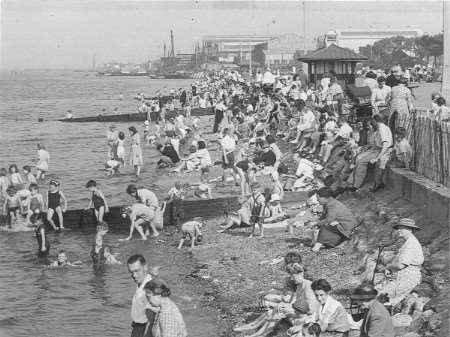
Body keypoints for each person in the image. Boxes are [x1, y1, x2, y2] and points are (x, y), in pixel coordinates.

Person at [377, 218, 424, 306]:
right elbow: (398, 261)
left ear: (410, 230)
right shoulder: (407, 242)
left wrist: (388, 267)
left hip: (408, 278)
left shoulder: (411, 245)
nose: (399, 230)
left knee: (382, 297)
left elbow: (400, 265)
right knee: (376, 291)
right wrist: (390, 269)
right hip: (401, 275)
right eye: (398, 228)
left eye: (402, 228)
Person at [311, 187, 357, 252]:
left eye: (318, 198)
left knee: (326, 226)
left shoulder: (333, 205)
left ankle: (317, 246)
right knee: (325, 225)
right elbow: (323, 216)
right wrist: (317, 222)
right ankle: (331, 241)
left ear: (325, 198)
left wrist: (317, 223)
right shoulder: (327, 204)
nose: (317, 200)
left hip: (347, 225)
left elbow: (328, 219)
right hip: (342, 224)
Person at [127, 254, 154, 337]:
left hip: (143, 330)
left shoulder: (148, 290)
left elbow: (153, 318)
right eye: (131, 272)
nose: (134, 275)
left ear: (145, 267)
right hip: (138, 327)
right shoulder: (142, 282)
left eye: (137, 271)